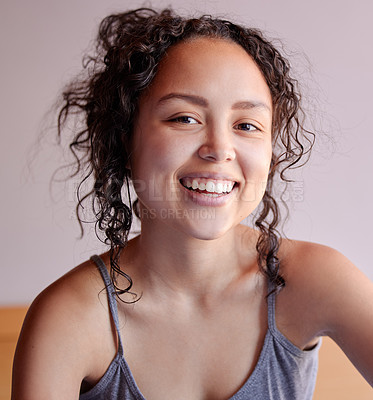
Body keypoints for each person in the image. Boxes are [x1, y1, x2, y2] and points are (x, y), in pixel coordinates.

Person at [12, 7, 373, 400]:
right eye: (184, 118)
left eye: (246, 125)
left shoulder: (313, 280)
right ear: (124, 139)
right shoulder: (68, 321)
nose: (219, 149)